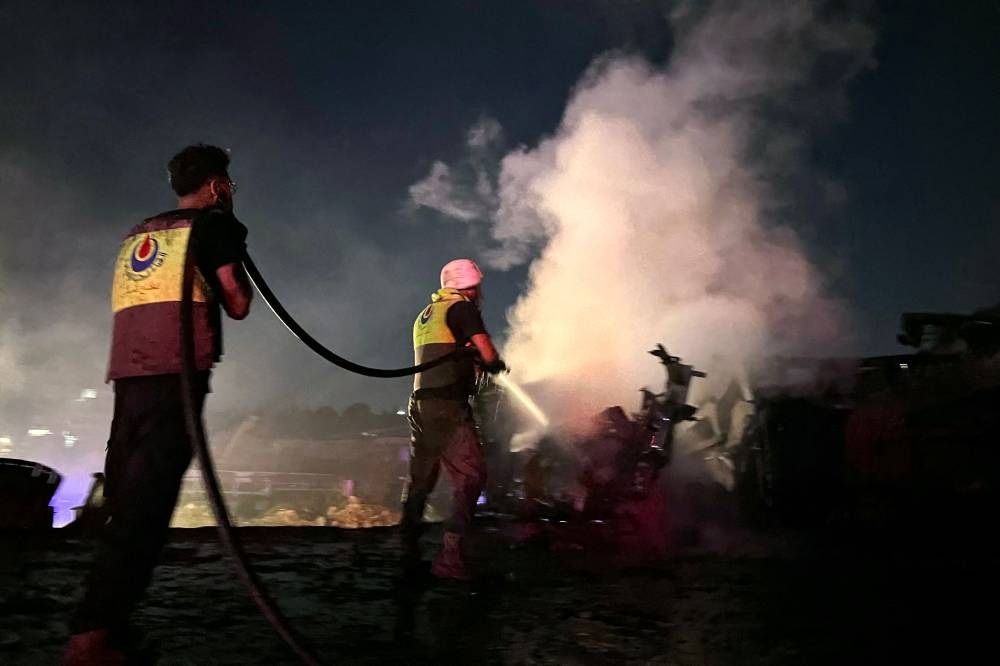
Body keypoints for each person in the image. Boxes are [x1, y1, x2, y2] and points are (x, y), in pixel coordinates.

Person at [63, 144, 253, 664]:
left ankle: (109, 628)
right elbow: (237, 303)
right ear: (216, 186)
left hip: (129, 377)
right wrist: (231, 239)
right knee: (144, 513)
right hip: (175, 379)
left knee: (126, 503)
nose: (231, 191)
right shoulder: (211, 227)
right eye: (229, 183)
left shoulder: (140, 233)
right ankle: (90, 642)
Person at [401, 258, 506, 580]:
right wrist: (494, 365)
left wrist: (468, 360)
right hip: (446, 405)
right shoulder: (462, 308)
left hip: (419, 405)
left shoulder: (427, 314)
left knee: (421, 482)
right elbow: (486, 351)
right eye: (478, 286)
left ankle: (407, 555)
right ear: (470, 286)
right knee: (472, 475)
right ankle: (451, 559)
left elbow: (445, 352)